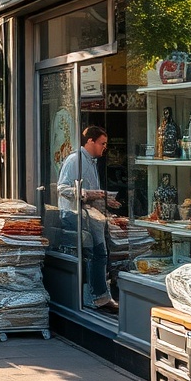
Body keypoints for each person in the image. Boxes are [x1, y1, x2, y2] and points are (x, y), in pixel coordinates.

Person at [57, 125, 121, 314]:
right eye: (102, 143)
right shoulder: (75, 160)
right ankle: (98, 297)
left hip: (91, 216)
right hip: (76, 216)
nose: (104, 147)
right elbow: (62, 189)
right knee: (96, 254)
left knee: (99, 254)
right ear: (90, 141)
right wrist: (89, 194)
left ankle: (98, 297)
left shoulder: (90, 161)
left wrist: (105, 199)